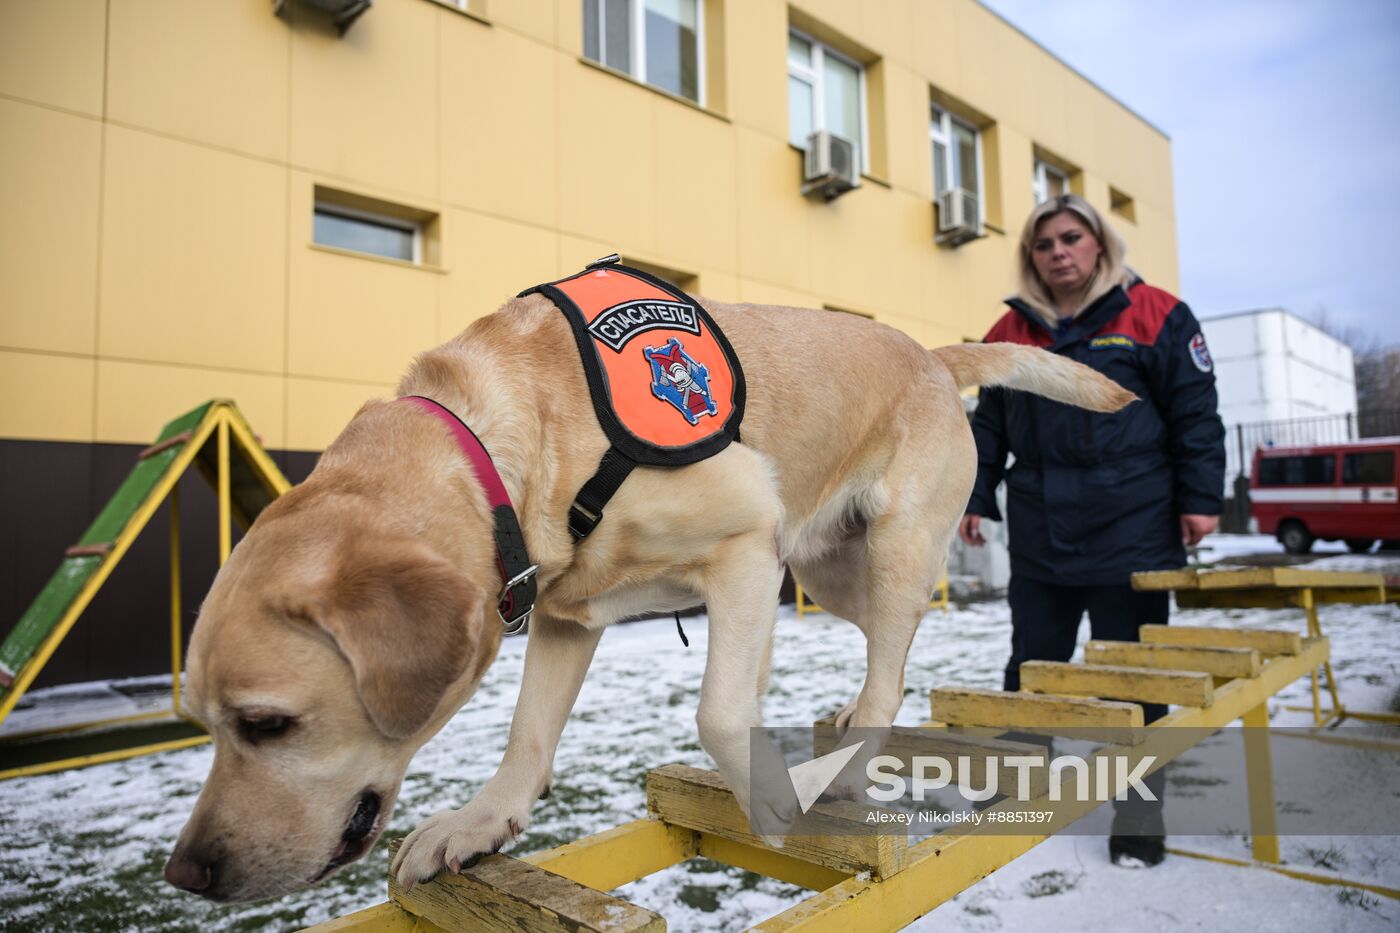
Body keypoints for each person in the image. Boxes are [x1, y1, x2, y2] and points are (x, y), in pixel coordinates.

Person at [959, 194, 1225, 867]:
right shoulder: (1007, 333)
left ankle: (1138, 818)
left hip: (1133, 530)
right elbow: (986, 424)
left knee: (1131, 681)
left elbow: (1195, 413)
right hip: (1042, 533)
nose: (1059, 253)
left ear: (1099, 244)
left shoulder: (1157, 313)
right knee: (1033, 669)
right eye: (1044, 245)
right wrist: (974, 492)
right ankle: (1018, 793)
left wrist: (1200, 497)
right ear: (1032, 258)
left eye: (1071, 238)